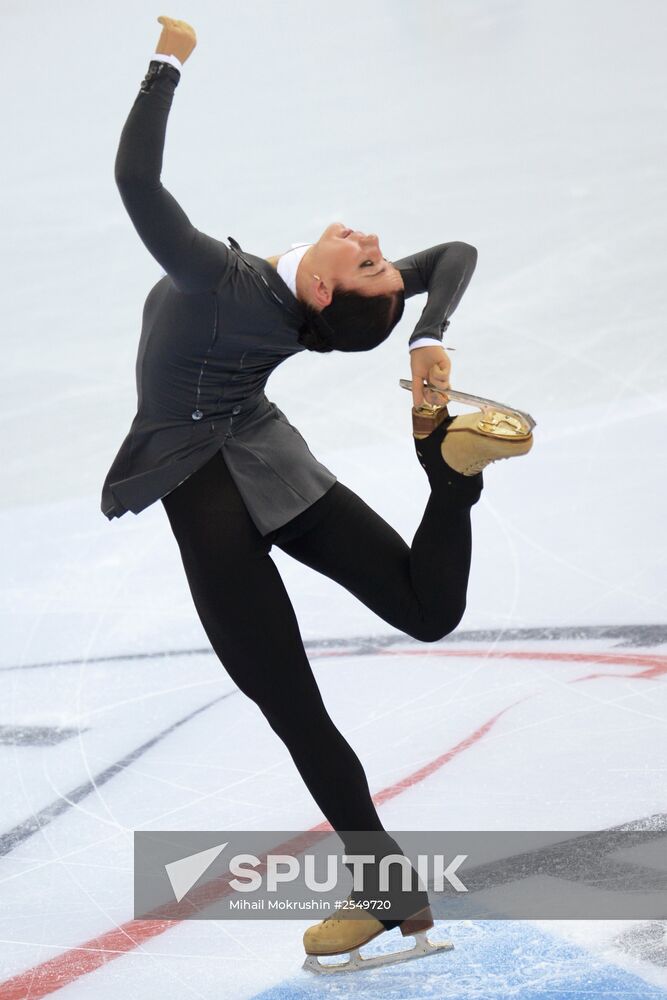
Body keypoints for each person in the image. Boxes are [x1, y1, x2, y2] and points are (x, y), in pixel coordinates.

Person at [101, 16, 533, 971]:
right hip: (264, 451)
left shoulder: (221, 278)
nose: (374, 240)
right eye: (381, 259)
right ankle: (448, 479)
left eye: (371, 262)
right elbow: (453, 252)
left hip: (207, 486)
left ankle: (386, 894)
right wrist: (430, 329)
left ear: (331, 298)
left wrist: (166, 62)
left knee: (289, 703)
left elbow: (136, 183)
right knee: (422, 610)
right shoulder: (290, 297)